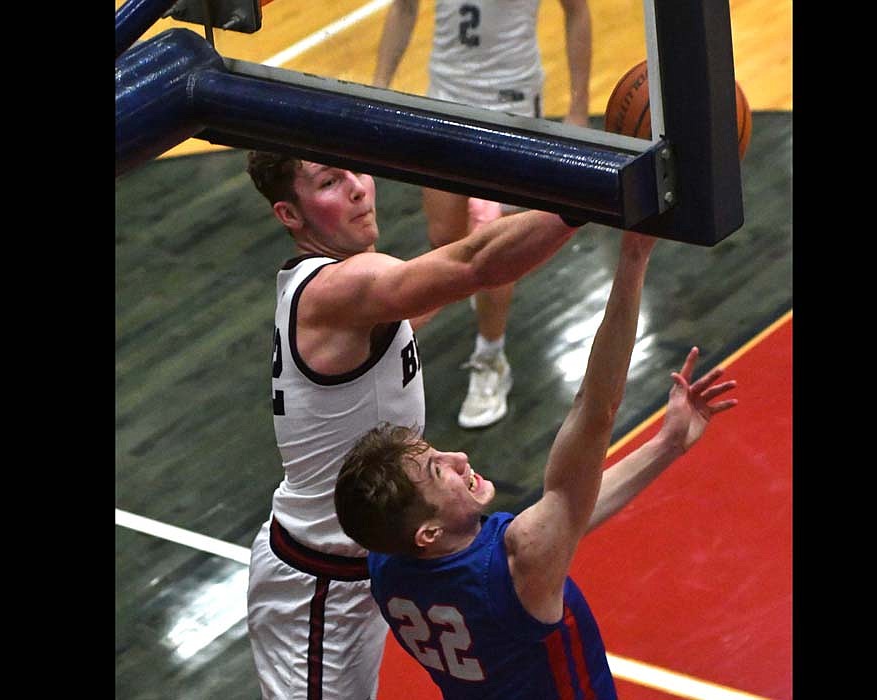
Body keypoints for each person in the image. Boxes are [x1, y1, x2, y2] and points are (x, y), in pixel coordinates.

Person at [243, 150, 591, 700]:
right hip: (319, 581)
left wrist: (470, 245)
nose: (358, 187)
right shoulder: (339, 287)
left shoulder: (348, 291)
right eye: (330, 182)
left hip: (377, 558)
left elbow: (417, 301)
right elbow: (474, 266)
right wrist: (588, 198)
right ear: (290, 214)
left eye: (355, 167)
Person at [334, 231, 739, 698]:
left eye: (437, 452)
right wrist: (632, 257)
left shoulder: (386, 558)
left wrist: (667, 444)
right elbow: (596, 410)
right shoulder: (517, 562)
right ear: (428, 532)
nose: (459, 457)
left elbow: (568, 515)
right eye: (438, 471)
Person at [372, 0, 592, 428]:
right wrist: (379, 86)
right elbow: (403, 7)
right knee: (445, 240)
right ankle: (467, 307)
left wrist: (579, 107)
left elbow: (577, 11)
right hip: (445, 97)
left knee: (496, 249)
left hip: (510, 104)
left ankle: (491, 356)